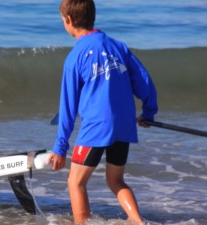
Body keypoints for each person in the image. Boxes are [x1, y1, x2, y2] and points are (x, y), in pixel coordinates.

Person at [47, 0, 158, 224]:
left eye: (63, 21)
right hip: (123, 125)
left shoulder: (75, 57)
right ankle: (138, 221)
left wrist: (60, 147)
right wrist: (148, 113)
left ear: (69, 21)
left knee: (76, 182)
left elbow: (67, 108)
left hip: (96, 127)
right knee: (116, 181)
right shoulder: (119, 47)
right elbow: (144, 82)